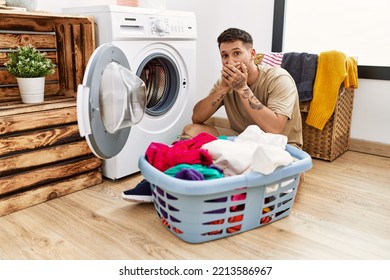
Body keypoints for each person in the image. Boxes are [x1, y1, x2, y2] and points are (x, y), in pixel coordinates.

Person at [122, 28, 303, 203]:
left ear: (252, 54)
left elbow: (275, 128)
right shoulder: (225, 82)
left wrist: (242, 89)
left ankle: (200, 185)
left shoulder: (278, 78)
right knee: (192, 130)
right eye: (225, 55)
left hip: (279, 144)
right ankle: (167, 178)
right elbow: (197, 117)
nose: (230, 61)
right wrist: (223, 88)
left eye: (237, 53)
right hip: (241, 139)